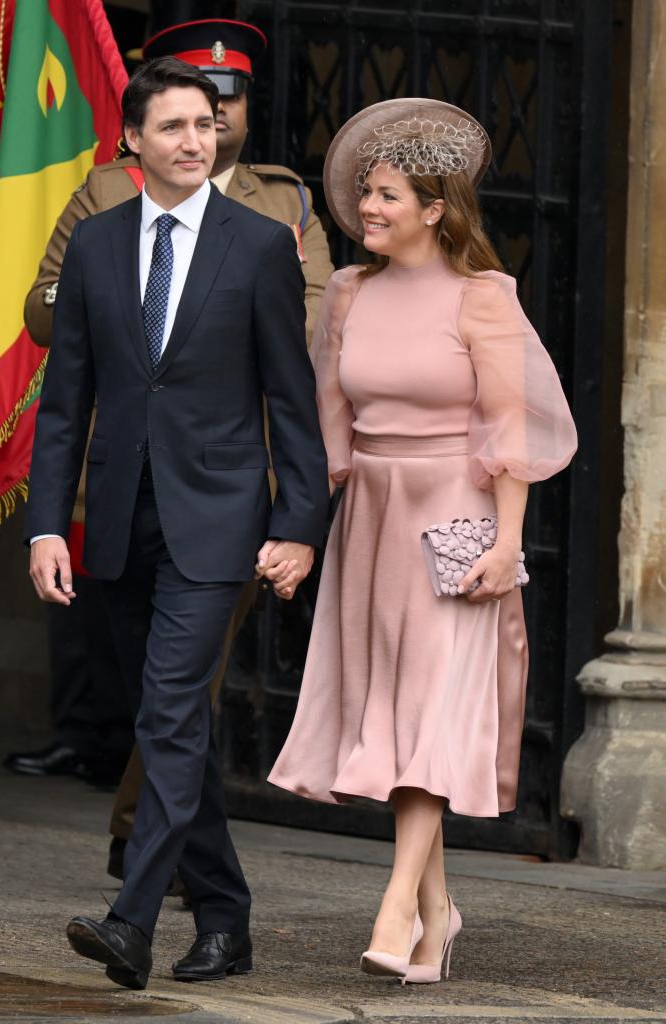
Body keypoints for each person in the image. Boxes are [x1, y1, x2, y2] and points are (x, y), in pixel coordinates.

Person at [25, 57, 329, 990]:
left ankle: (133, 921)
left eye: (206, 123)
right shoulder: (96, 244)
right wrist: (46, 526)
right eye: (174, 127)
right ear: (133, 142)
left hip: (219, 522)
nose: (196, 140)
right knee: (166, 726)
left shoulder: (261, 244)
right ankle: (228, 920)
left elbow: (292, 396)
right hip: (116, 523)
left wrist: (298, 523)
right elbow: (64, 401)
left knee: (166, 712)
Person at [268, 98, 577, 984]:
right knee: (399, 717)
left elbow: (510, 432)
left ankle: (398, 903)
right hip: (372, 517)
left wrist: (504, 544)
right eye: (365, 192)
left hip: (457, 518)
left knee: (434, 714)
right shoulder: (351, 294)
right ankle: (439, 914)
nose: (367, 209)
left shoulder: (483, 297)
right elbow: (327, 417)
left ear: (435, 208)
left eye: (387, 195)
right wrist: (298, 532)